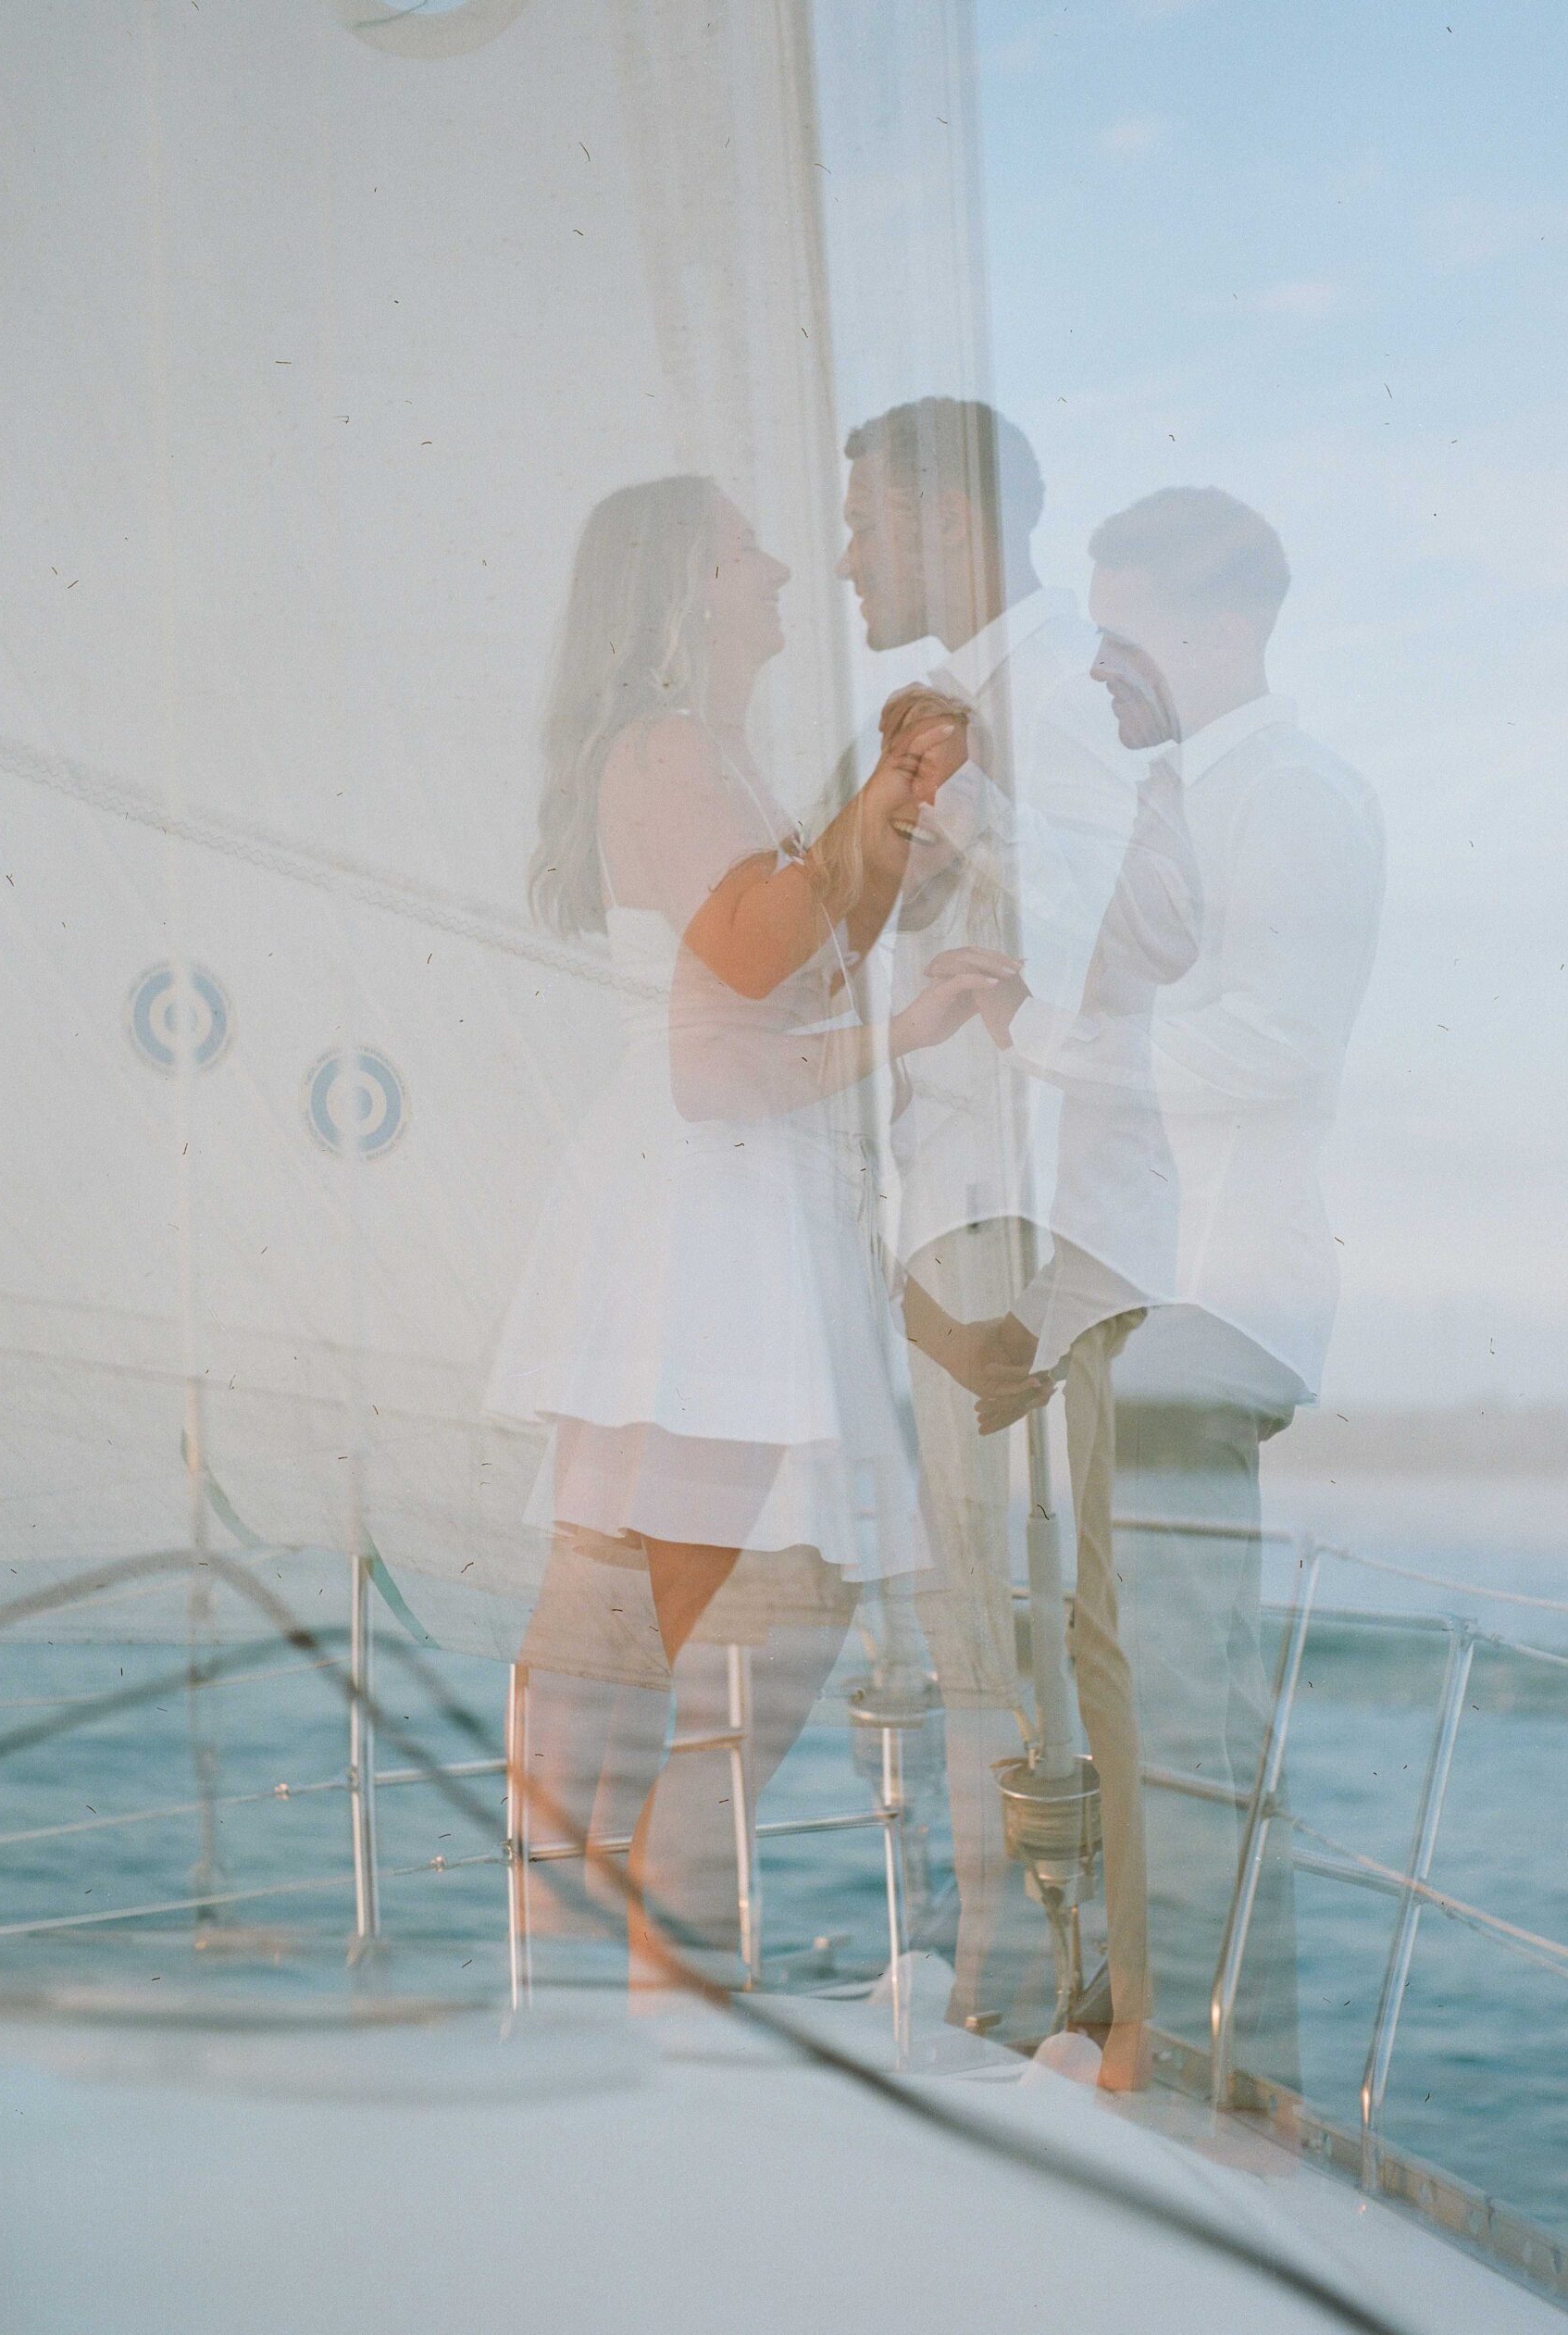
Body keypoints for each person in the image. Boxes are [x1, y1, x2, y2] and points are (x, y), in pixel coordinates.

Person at [486, 474, 1005, 1991]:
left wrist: (898, 821)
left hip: (722, 1220)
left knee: (690, 1652)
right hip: (712, 1225)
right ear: (683, 592)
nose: (782, 569)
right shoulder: (664, 754)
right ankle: (649, 2019)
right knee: (715, 1647)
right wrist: (893, 816)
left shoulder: (707, 752)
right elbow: (745, 987)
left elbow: (790, 948)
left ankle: (623, 2012)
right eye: (744, 552)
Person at [838, 399, 1195, 2085]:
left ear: (938, 511)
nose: (847, 552)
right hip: (959, 1205)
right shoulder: (953, 709)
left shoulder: (1048, 693)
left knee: (1045, 1614)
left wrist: (942, 801)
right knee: (990, 1609)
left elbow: (1120, 917)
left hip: (1027, 1215)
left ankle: (1077, 1996)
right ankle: (1022, 1972)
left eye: (864, 516)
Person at [1078, 485, 1386, 2080]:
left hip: (1209, 1307)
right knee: (1134, 1698)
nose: (1096, 670)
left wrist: (1043, 1049)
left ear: (1213, 632)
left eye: (1119, 635)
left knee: (1186, 1709)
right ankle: (1151, 2043)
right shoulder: (1190, 801)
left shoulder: (1297, 801)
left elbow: (1275, 1045)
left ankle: (1212, 2077)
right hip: (1136, 1298)